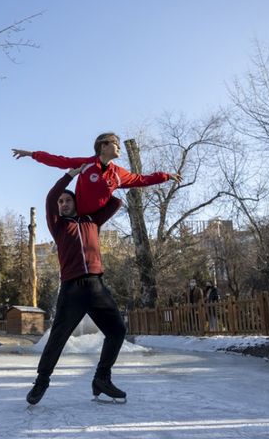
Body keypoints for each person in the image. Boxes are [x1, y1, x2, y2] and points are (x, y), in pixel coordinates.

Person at [26, 167, 127, 405]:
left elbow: (115, 202)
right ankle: (42, 381)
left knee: (117, 331)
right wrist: (70, 176)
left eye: (67, 200)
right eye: (61, 201)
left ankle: (102, 378)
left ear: (76, 202)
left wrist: (103, 179)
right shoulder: (58, 225)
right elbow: (50, 197)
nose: (62, 203)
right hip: (72, 289)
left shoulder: (92, 219)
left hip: (96, 286)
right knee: (58, 336)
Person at [12, 132, 181, 216]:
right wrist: (31, 154)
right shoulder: (87, 164)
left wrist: (165, 176)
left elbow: (142, 179)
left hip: (96, 219)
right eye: (116, 144)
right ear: (103, 146)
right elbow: (59, 161)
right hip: (77, 215)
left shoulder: (118, 174)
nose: (119, 147)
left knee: (117, 202)